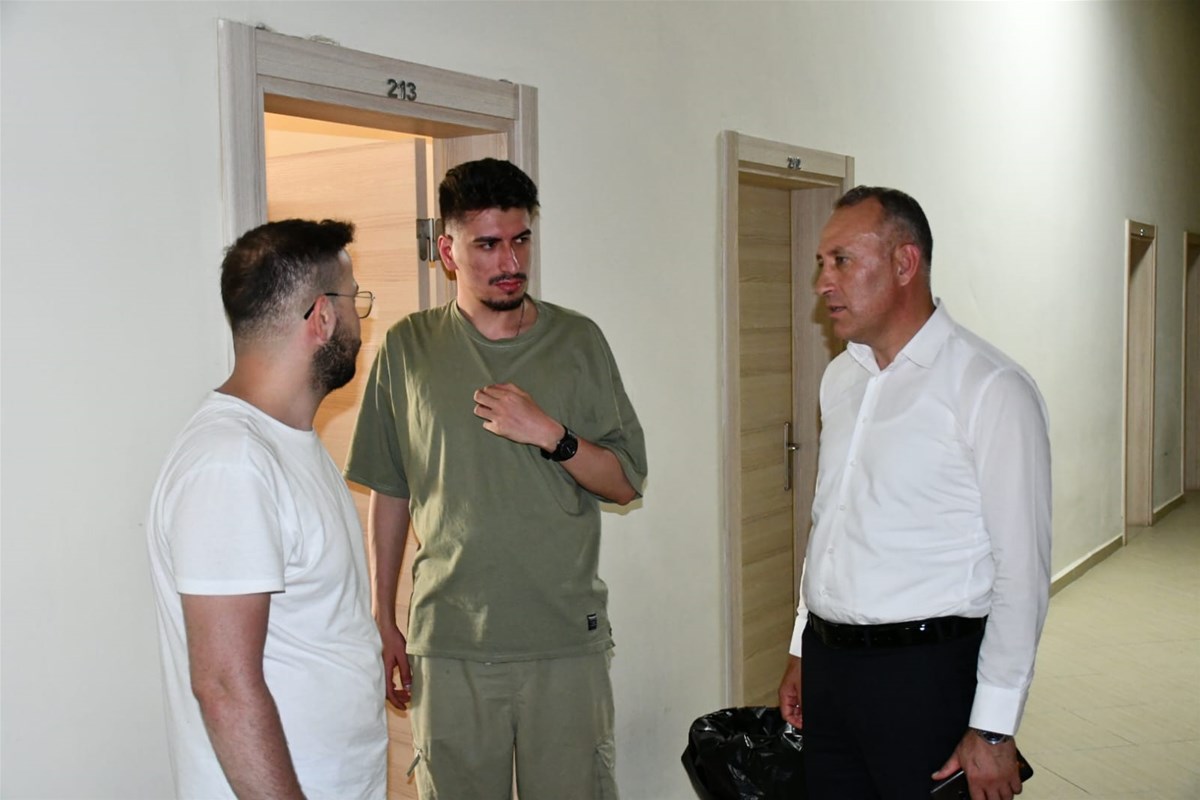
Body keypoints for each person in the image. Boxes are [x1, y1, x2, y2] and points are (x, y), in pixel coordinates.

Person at [345, 158, 647, 799]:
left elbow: (624, 482)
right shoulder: (407, 348)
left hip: (563, 641)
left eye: (521, 239)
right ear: (448, 252)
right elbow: (391, 490)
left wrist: (551, 434)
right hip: (449, 643)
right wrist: (383, 615)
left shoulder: (578, 341)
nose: (510, 261)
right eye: (487, 244)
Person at [776, 186, 1052, 800]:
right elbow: (831, 523)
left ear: (905, 263)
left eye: (842, 261)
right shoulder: (841, 377)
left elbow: (1022, 573)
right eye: (821, 263)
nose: (823, 282)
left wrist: (994, 728)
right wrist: (803, 648)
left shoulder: (990, 387)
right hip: (831, 668)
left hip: (925, 677)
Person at [146, 219, 387, 799]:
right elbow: (224, 686)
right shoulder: (231, 463)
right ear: (322, 317)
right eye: (354, 301)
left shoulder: (285, 444)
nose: (360, 320)